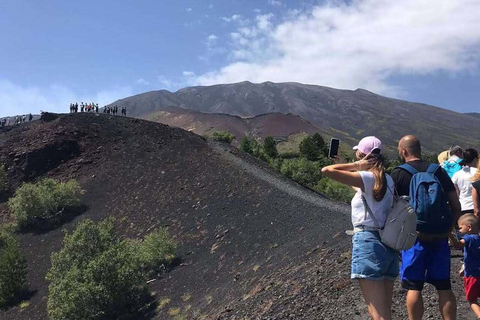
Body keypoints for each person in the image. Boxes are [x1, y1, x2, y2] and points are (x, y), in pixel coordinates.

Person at [322, 136, 397, 320]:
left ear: (362, 155)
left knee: (378, 314)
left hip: (369, 242)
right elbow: (361, 190)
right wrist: (345, 164)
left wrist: (356, 165)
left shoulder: (367, 177)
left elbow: (326, 170)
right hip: (388, 244)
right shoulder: (387, 180)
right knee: (385, 311)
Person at [391, 135, 461, 320]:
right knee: (444, 287)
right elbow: (456, 206)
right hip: (439, 237)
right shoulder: (438, 171)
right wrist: (448, 230)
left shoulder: (398, 173)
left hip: (413, 239)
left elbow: (388, 211)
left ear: (404, 151)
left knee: (413, 288)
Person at [449, 214, 480, 318]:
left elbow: (458, 245)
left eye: (461, 228)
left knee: (472, 300)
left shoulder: (468, 238)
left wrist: (451, 236)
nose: (460, 231)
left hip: (472, 275)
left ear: (469, 227)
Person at [452, 149, 478, 214]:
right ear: (475, 159)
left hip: (462, 207)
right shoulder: (478, 173)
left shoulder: (456, 175)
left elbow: (456, 193)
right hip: (476, 206)